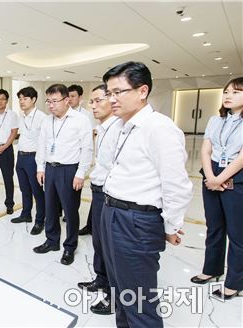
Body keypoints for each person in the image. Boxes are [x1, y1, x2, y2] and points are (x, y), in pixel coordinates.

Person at [100, 61, 192, 327]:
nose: (112, 99)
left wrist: (171, 225)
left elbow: (177, 185)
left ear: (142, 91)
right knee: (120, 293)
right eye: (109, 93)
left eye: (119, 92)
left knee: (139, 303)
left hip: (136, 221)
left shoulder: (159, 128)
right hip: (112, 212)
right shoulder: (121, 126)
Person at [191, 77, 243, 300]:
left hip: (236, 177)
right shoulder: (215, 119)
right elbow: (206, 149)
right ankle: (211, 269)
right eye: (226, 92)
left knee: (237, 233)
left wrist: (220, 178)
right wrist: (211, 176)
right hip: (211, 174)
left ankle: (234, 282)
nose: (228, 96)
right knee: (214, 227)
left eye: (236, 92)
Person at [34, 84, 93, 266]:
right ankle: (52, 241)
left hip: (70, 170)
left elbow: (87, 148)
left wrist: (80, 173)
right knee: (50, 207)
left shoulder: (80, 120)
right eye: (48, 101)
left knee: (70, 210)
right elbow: (42, 145)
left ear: (67, 100)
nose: (51, 106)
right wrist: (40, 168)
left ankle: (69, 246)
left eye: (55, 101)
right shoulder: (47, 121)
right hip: (50, 169)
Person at [76, 84, 120, 315]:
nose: (92, 105)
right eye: (91, 102)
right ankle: (101, 280)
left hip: (110, 193)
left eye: (97, 100)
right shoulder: (101, 128)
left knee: (110, 245)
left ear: (112, 99)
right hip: (99, 190)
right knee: (99, 241)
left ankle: (114, 296)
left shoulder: (118, 129)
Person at [11, 87, 47, 235]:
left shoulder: (42, 117)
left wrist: (41, 165)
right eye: (20, 99)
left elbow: (44, 142)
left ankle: (40, 221)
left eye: (25, 98)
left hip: (34, 158)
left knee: (37, 192)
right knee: (24, 189)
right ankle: (26, 214)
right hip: (21, 156)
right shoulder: (22, 117)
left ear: (33, 100)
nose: (21, 101)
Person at [68, 84, 96, 236]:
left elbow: (89, 139)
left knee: (74, 192)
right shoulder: (63, 114)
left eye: (73, 96)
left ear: (80, 98)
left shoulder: (86, 115)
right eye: (69, 96)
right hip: (65, 159)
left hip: (78, 159)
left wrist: (86, 161)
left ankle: (70, 213)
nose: (70, 99)